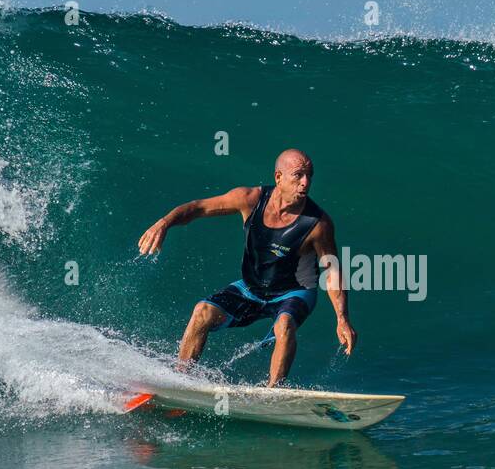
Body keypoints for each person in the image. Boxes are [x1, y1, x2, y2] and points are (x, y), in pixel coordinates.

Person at [137, 149, 356, 387]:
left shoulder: (318, 224)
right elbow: (198, 208)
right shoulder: (250, 199)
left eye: (309, 176)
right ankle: (181, 381)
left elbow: (332, 269)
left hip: (295, 291)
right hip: (251, 288)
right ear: (278, 177)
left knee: (284, 325)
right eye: (298, 175)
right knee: (202, 312)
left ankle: (273, 391)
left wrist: (342, 318)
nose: (306, 182)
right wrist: (164, 223)